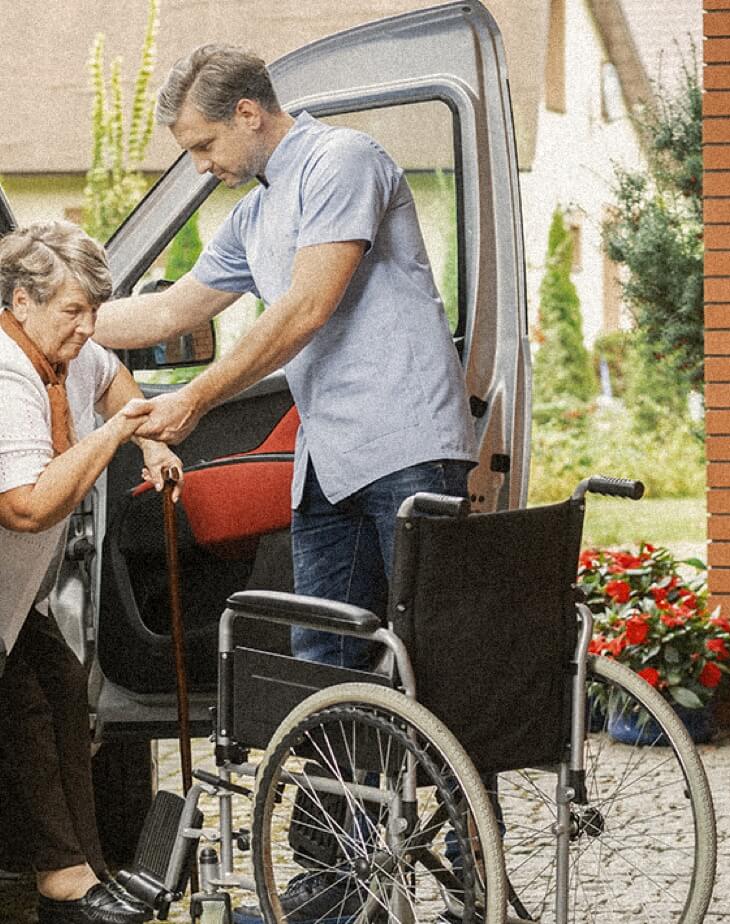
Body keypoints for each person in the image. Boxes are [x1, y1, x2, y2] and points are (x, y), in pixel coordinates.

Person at [91, 44, 478, 924]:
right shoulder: (251, 215)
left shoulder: (345, 161)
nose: (201, 166)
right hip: (328, 462)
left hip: (406, 446)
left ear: (249, 115)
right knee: (327, 672)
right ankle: (340, 889)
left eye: (201, 147)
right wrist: (47, 317)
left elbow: (306, 308)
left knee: (434, 667)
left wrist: (195, 396)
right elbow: (170, 310)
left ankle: (468, 873)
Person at [0, 221, 183, 924]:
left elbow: (114, 380)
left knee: (65, 683)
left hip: (17, 599)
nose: (88, 328)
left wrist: (145, 442)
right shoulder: (9, 371)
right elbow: (28, 506)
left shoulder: (71, 353)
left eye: (94, 312)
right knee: (25, 707)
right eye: (73, 311)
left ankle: (86, 869)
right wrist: (115, 436)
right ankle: (62, 875)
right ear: (21, 303)